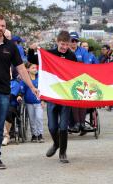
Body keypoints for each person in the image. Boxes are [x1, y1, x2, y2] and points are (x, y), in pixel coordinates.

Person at [0, 14, 39, 170]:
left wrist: (32, 87)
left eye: (3, 26)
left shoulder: (11, 46)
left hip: (3, 91)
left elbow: (21, 69)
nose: (0, 28)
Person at [29, 31, 77, 163]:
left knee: (63, 127)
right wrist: (31, 49)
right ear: (57, 42)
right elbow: (31, 60)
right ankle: (56, 144)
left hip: (65, 96)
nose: (64, 47)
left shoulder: (72, 56)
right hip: (51, 96)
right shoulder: (49, 53)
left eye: (66, 45)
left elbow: (76, 73)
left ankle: (63, 153)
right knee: (52, 127)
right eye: (62, 44)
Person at [68, 32, 91, 133]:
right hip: (70, 80)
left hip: (82, 79)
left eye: (75, 41)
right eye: (72, 41)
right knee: (75, 100)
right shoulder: (66, 51)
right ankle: (77, 123)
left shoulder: (83, 51)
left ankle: (82, 123)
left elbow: (86, 65)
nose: (73, 43)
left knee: (83, 100)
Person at [19, 63, 44, 143]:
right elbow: (22, 90)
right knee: (32, 120)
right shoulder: (25, 80)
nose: (35, 69)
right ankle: (34, 134)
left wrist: (43, 100)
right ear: (28, 69)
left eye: (36, 68)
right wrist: (19, 95)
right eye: (33, 68)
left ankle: (40, 134)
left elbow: (43, 90)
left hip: (39, 102)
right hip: (29, 103)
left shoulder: (40, 78)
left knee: (39, 118)